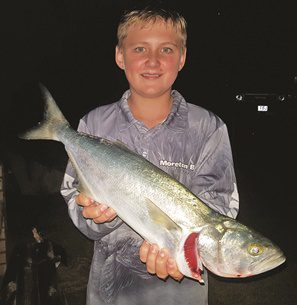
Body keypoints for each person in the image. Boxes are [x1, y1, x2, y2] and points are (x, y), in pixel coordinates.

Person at [61, 6, 239, 305]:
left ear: (181, 58)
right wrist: (94, 217)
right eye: (140, 48)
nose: (153, 61)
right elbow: (74, 197)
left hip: (181, 296)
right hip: (110, 293)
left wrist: (183, 255)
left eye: (166, 49)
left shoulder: (208, 128)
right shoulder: (94, 125)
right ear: (120, 56)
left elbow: (217, 211)